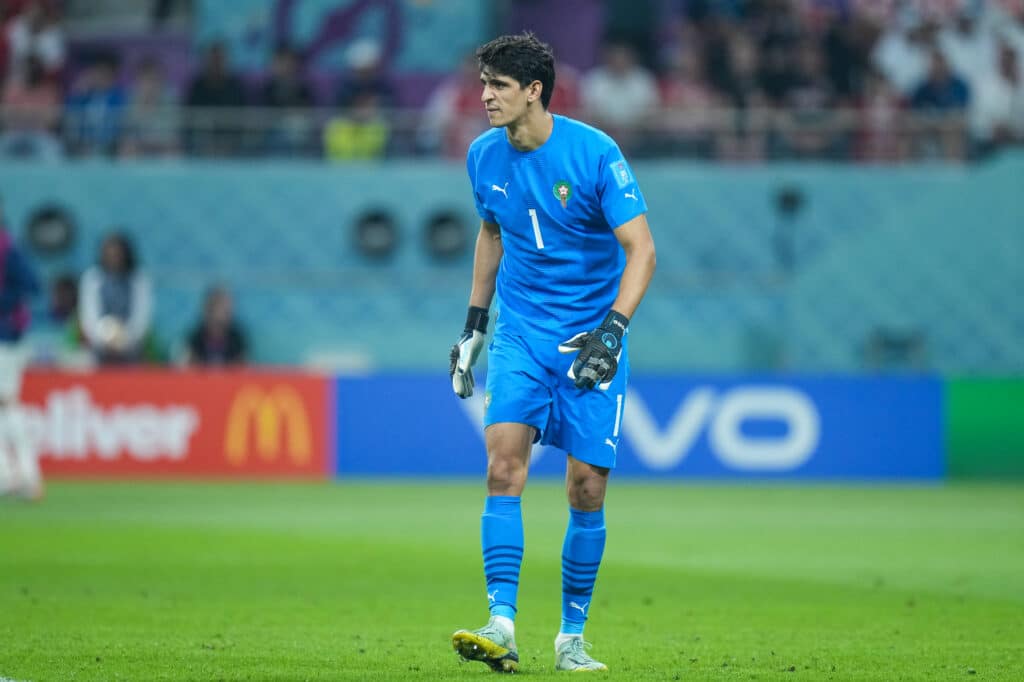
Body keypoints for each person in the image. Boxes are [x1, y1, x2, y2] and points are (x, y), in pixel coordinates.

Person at [448, 33, 656, 674]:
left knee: (586, 487)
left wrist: (614, 331)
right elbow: (490, 232)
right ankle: (502, 623)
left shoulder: (595, 153)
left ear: (533, 90)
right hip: (520, 337)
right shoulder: (483, 156)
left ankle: (571, 637)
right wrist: (475, 326)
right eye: (484, 84)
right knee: (503, 465)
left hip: (589, 339)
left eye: (499, 86)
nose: (485, 97)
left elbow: (641, 250)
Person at [0, 195, 42, 499]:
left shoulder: (6, 246)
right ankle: (9, 474)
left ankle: (27, 474)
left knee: (7, 401)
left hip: (7, 335)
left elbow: (31, 284)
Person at [78, 232, 153, 365]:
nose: (114, 257)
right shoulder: (92, 278)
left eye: (117, 253)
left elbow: (141, 316)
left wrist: (124, 340)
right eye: (110, 253)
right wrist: (105, 337)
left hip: (131, 348)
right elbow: (89, 315)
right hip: (99, 348)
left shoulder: (139, 279)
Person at [183, 285, 247, 366]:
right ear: (209, 309)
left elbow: (242, 367)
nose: (227, 312)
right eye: (221, 307)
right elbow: (187, 366)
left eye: (228, 308)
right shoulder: (195, 337)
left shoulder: (237, 337)